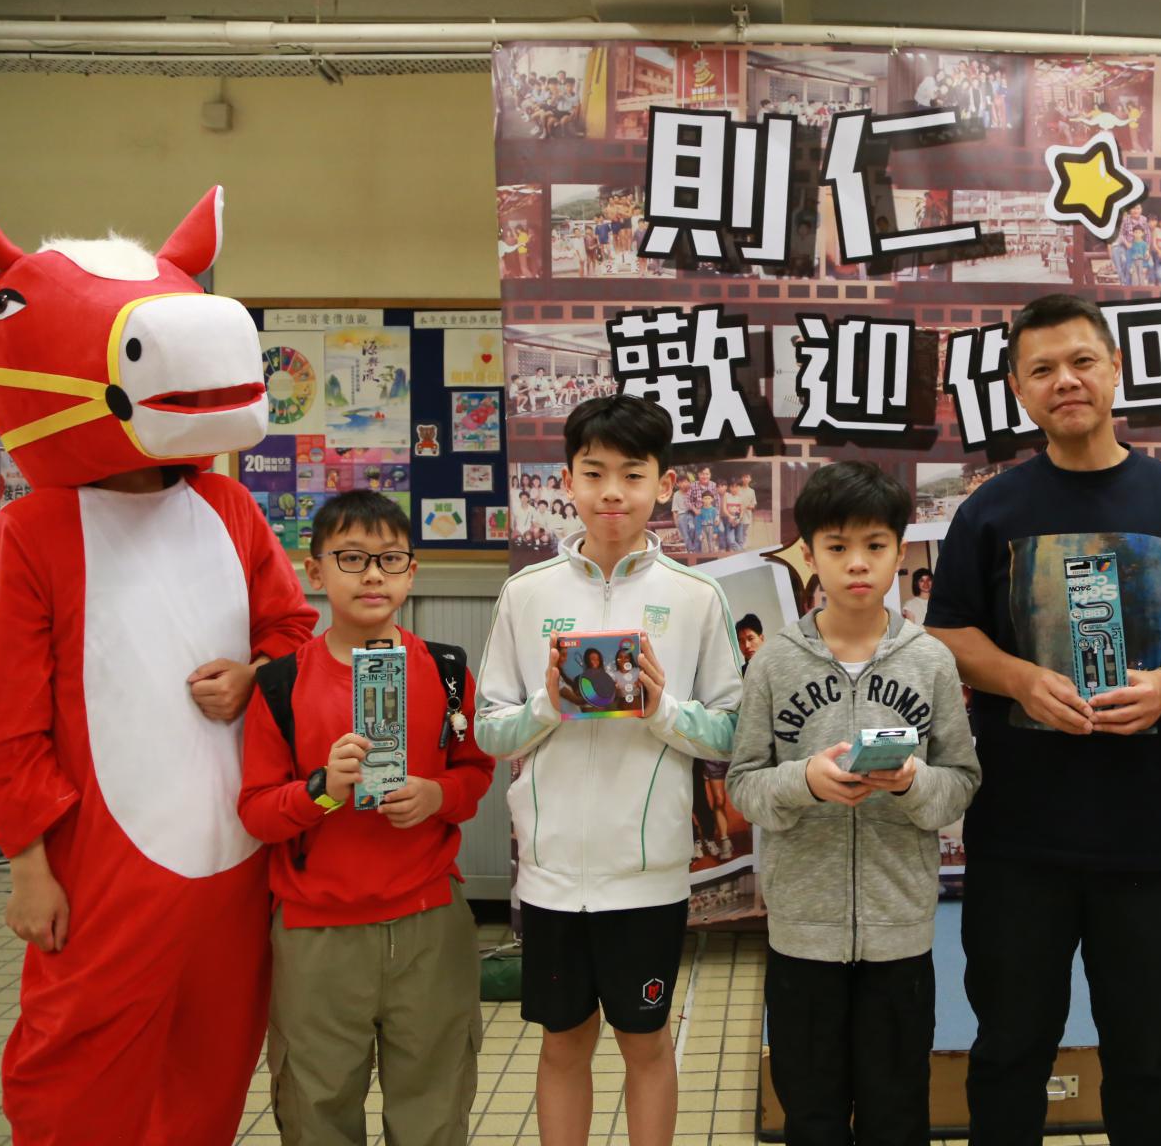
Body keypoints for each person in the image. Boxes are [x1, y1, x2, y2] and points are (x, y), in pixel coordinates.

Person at [0, 175, 319, 1146]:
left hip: (233, 848)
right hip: (100, 859)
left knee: (214, 1055)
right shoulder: (31, 532)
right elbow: (7, 722)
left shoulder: (229, 507)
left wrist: (253, 677)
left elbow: (291, 632)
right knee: (80, 1062)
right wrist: (29, 867)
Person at [924, 294, 1161, 1145]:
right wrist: (1020, 678)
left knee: (1147, 1061)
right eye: (1042, 370)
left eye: (1081, 362)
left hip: (1150, 841)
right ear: (1018, 389)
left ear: (1114, 369)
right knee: (1008, 1054)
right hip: (1019, 841)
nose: (1064, 381)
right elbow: (949, 631)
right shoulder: (991, 510)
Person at [475, 394, 742, 1146]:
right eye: (594, 474)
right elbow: (491, 730)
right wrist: (548, 704)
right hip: (552, 875)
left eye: (632, 473)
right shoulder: (526, 594)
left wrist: (661, 709)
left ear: (665, 485)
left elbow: (732, 728)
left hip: (648, 875)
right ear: (568, 481)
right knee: (562, 1044)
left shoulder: (696, 597)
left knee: (646, 1044)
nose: (612, 492)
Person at [727, 461, 981, 1146]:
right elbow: (744, 784)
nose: (858, 564)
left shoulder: (929, 660)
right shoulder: (774, 662)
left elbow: (961, 780)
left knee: (896, 1114)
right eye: (837, 547)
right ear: (809, 556)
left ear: (900, 553)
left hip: (900, 934)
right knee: (810, 1115)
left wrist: (911, 782)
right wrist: (805, 782)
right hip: (802, 936)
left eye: (875, 545)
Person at [237, 491, 494, 1146]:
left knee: (433, 1107)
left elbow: (475, 774)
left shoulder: (447, 671)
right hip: (316, 934)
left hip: (429, 921)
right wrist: (322, 791)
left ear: (412, 572)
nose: (373, 575)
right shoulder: (280, 684)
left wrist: (436, 795)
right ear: (315, 572)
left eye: (390, 559)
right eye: (351, 558)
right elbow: (258, 813)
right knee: (317, 1109)